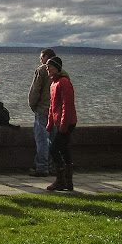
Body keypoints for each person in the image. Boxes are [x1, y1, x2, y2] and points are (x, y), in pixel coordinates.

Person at [45, 56, 77, 191]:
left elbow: (67, 105)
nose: (47, 69)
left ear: (57, 68)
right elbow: (53, 106)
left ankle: (61, 180)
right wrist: (50, 123)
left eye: (50, 66)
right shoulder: (53, 84)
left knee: (53, 149)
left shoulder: (63, 82)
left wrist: (63, 124)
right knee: (64, 150)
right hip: (59, 122)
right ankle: (68, 182)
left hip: (67, 122)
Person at [27, 48, 57, 177]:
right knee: (54, 140)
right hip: (55, 110)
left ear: (46, 57)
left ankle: (42, 167)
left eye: (42, 57)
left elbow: (35, 90)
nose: (41, 60)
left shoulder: (42, 70)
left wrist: (32, 105)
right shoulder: (60, 71)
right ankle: (53, 166)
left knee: (42, 139)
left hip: (42, 109)